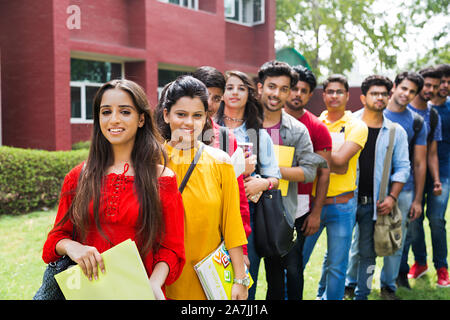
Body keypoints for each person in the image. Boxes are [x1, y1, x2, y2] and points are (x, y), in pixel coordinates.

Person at [42, 79, 186, 300]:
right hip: (87, 293)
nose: (114, 119)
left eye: (125, 112)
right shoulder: (79, 176)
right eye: (106, 111)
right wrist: (73, 247)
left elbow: (172, 250)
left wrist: (154, 284)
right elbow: (55, 240)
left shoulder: (163, 180)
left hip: (139, 293)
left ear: (141, 119)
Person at [155, 75, 249, 300]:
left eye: (197, 115)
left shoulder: (221, 162)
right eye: (181, 114)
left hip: (208, 281)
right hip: (159, 280)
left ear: (206, 118)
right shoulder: (149, 161)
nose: (189, 123)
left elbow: (232, 226)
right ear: (166, 115)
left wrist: (240, 279)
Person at [256, 61, 325, 300]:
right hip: (245, 213)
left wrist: (271, 171)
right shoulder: (243, 125)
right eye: (271, 86)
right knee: (245, 277)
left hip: (282, 214)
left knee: (281, 277)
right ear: (259, 88)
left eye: (284, 88)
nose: (276, 94)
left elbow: (309, 171)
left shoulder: (297, 130)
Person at [215, 70, 281, 300]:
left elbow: (276, 178)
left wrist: (261, 183)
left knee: (243, 279)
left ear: (249, 95)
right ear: (221, 94)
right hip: (211, 212)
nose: (234, 92)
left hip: (246, 216)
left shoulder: (258, 134)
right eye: (230, 87)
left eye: (241, 88)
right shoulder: (207, 129)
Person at [301, 74, 368, 300]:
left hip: (342, 206)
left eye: (339, 91)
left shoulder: (357, 126)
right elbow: (332, 160)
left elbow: (340, 164)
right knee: (296, 261)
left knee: (337, 268)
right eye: (330, 91)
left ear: (348, 96)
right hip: (310, 205)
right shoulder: (313, 122)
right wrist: (326, 156)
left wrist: (315, 155)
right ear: (323, 94)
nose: (334, 96)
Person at [344, 75, 410, 300]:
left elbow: (403, 168)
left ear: (388, 96)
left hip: (374, 203)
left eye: (383, 93)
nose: (379, 97)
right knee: (341, 251)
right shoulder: (348, 124)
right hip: (345, 199)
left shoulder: (395, 131)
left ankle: (363, 291)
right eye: (374, 93)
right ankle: (344, 287)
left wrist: (392, 196)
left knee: (368, 253)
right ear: (363, 97)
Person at [193, 66, 251, 267]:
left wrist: (241, 250)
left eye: (217, 98)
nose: (210, 103)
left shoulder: (227, 139)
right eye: (205, 95)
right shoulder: (167, 136)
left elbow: (238, 198)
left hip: (216, 238)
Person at [284, 66, 332, 299]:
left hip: (300, 205)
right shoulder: (264, 120)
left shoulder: (317, 127)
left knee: (293, 267)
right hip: (264, 199)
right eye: (293, 88)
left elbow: (323, 172)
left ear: (310, 94)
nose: (297, 94)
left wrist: (316, 212)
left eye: (303, 90)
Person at [381, 71, 427, 299]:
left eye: (412, 91)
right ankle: (353, 284)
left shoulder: (417, 122)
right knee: (361, 239)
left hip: (405, 190)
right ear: (394, 87)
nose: (407, 94)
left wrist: (418, 199)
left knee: (397, 240)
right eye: (404, 88)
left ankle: (388, 286)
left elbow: (419, 163)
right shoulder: (375, 112)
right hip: (372, 189)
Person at [402, 65, 449, 287]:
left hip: (440, 172)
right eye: (426, 85)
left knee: (437, 219)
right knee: (414, 221)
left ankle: (442, 267)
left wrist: (438, 179)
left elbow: (432, 153)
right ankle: (420, 262)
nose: (430, 89)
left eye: (434, 85)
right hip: (411, 175)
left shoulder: (434, 115)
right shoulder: (405, 110)